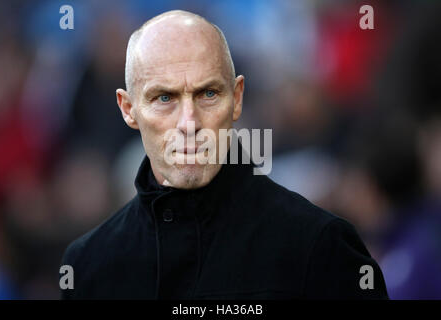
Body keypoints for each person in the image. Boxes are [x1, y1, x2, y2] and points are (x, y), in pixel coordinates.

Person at [60, 10, 388, 299]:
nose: (189, 123)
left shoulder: (319, 246)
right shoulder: (89, 266)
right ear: (128, 109)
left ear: (237, 98)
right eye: (164, 98)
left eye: (208, 93)